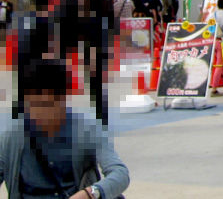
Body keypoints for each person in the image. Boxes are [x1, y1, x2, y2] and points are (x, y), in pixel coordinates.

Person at [0, 58, 130, 198]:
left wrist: (90, 193)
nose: (43, 112)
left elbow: (120, 173)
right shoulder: (11, 138)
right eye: (37, 103)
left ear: (64, 98)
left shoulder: (87, 130)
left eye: (51, 104)